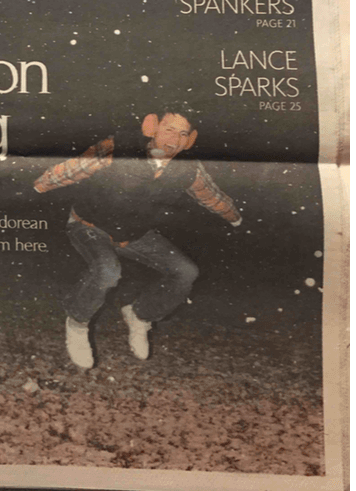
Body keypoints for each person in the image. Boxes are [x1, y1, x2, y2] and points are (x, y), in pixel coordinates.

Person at [34, 105, 242, 370]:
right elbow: (74, 168)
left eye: (182, 134)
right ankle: (77, 323)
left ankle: (140, 316)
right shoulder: (117, 148)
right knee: (108, 271)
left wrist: (235, 217)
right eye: (168, 130)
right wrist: (38, 185)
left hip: (135, 235)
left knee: (185, 272)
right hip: (90, 225)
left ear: (189, 141)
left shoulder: (188, 169)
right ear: (151, 128)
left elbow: (211, 195)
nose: (173, 139)